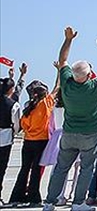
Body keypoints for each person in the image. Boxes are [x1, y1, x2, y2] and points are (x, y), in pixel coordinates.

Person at [43, 29, 97, 211]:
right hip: (90, 134)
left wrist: (67, 40)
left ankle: (50, 202)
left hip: (69, 133)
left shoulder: (67, 84)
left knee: (61, 168)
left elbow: (62, 60)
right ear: (88, 74)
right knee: (86, 169)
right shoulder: (95, 86)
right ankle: (77, 203)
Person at [9, 79, 55, 206]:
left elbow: (23, 124)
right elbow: (57, 87)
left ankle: (16, 197)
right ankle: (33, 197)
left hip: (28, 141)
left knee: (24, 169)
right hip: (41, 141)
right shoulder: (45, 104)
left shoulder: (28, 107)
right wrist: (59, 71)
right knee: (36, 170)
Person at [0, 64, 28, 203]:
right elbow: (16, 124)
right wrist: (15, 131)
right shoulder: (12, 104)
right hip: (4, 138)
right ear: (10, 89)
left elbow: (16, 92)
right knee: (1, 167)